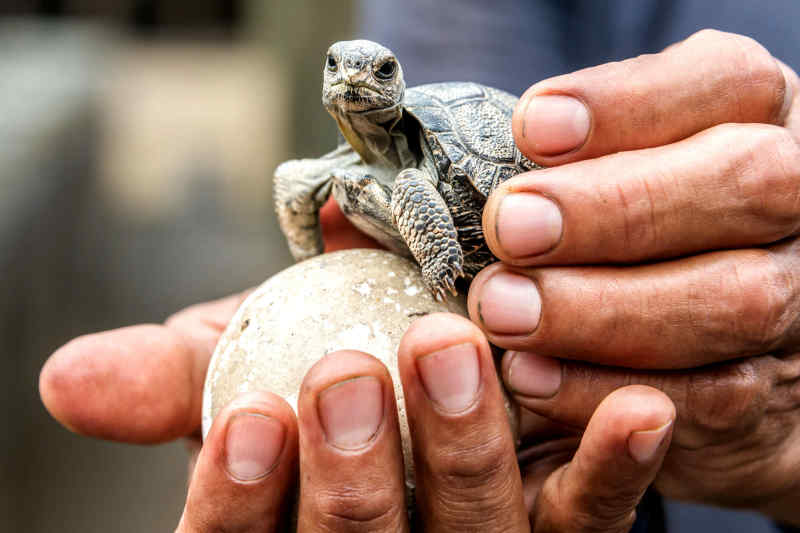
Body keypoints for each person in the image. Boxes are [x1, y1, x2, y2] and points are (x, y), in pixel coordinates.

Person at [39, 1, 800, 531]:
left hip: (550, 294)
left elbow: (424, 202)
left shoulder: (411, 174)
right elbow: (302, 191)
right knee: (301, 177)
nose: (354, 82)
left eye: (377, 74)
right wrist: (311, 279)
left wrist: (445, 289)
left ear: (394, 86)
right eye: (341, 69)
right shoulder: (341, 170)